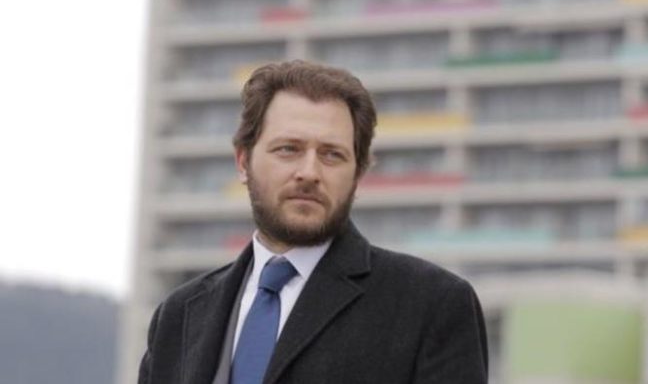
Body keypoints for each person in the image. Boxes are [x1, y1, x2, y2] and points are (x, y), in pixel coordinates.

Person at [138, 60, 488, 384]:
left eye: (332, 154)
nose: (309, 172)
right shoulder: (178, 316)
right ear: (243, 162)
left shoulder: (431, 305)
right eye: (288, 149)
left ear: (358, 173)